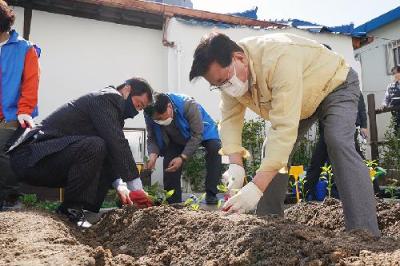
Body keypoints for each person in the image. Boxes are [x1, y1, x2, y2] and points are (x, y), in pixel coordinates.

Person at [189, 32, 380, 236]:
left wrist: (256, 187)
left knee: (337, 140)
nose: (224, 87)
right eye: (217, 85)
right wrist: (235, 164)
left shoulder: (278, 58)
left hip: (335, 84)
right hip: (302, 100)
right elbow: (229, 120)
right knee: (269, 148)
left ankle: (365, 231)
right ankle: (269, 224)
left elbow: (284, 130)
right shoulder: (231, 80)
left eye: (224, 80)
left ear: (240, 58)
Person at [8, 78, 153, 227]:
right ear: (127, 89)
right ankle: (70, 210)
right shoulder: (106, 98)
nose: (136, 111)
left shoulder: (109, 109)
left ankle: (79, 210)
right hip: (32, 157)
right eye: (138, 104)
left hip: (49, 159)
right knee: (96, 145)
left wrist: (121, 186)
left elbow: (112, 149)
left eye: (140, 109)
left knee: (101, 146)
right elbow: (117, 143)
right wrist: (136, 187)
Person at [143, 92, 221, 204]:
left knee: (215, 148)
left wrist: (182, 157)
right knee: (169, 162)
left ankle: (211, 194)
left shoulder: (188, 105)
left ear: (169, 107)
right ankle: (173, 202)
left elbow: (197, 135)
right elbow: (152, 137)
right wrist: (153, 156)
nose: (159, 121)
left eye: (161, 118)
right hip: (177, 138)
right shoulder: (149, 113)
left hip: (201, 131)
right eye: (156, 120)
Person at [0, 0, 40, 211]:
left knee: (1, 148)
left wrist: (24, 109)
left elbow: (31, 82)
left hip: (14, 114)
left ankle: (12, 197)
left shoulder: (25, 49)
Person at [304, 93, 377, 199]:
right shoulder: (326, 85)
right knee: (317, 161)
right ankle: (307, 193)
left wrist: (364, 125)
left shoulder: (349, 83)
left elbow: (360, 104)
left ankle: (373, 191)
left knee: (356, 160)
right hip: (327, 128)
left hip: (346, 128)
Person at [382, 66, 400, 130]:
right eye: (393, 74)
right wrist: (384, 105)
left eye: (395, 73)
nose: (394, 75)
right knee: (397, 127)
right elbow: (387, 97)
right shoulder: (390, 86)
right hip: (395, 110)